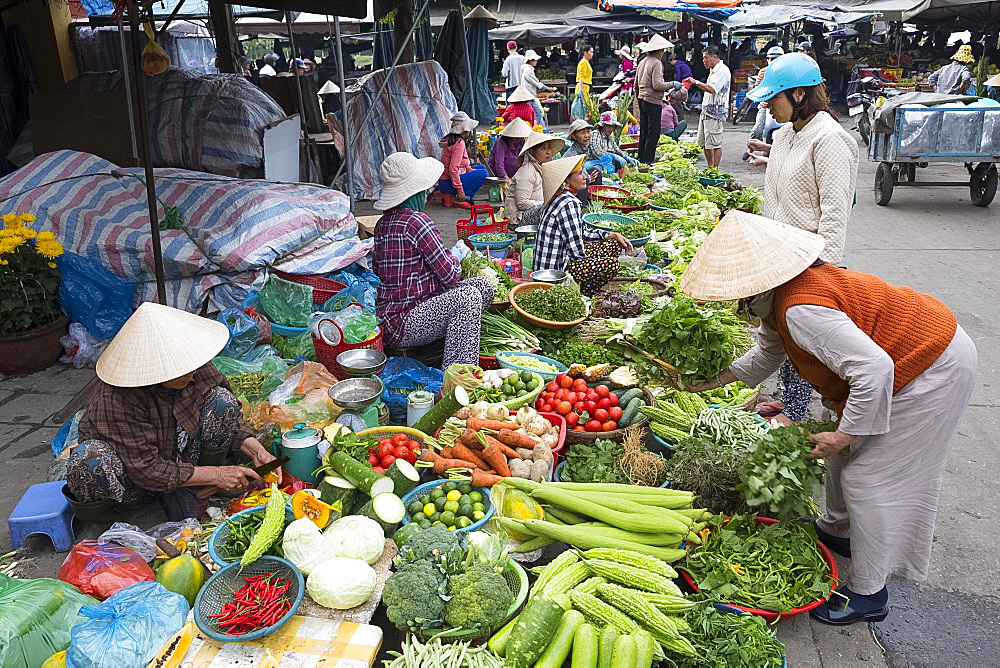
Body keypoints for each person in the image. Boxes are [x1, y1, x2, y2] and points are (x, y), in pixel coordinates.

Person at [680, 210, 977, 626]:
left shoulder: (801, 308)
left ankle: (869, 595)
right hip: (910, 355)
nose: (736, 302)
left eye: (739, 292)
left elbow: (875, 370)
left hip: (929, 365)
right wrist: (704, 382)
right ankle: (837, 531)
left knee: (870, 475)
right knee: (844, 459)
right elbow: (765, 356)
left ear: (758, 282)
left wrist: (844, 434)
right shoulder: (779, 301)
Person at [66, 303, 281, 521]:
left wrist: (255, 450)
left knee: (222, 401)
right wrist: (218, 473)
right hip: (133, 481)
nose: (193, 372)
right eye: (183, 370)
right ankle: (110, 520)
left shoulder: (193, 366)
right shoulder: (116, 399)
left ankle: (200, 488)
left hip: (184, 461)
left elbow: (233, 418)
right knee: (88, 461)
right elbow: (147, 469)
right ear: (154, 370)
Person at [743, 52, 859, 424]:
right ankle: (789, 400)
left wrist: (826, 272)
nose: (766, 105)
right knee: (783, 334)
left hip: (810, 260)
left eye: (772, 98)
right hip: (778, 253)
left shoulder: (830, 140)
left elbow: (835, 212)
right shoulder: (786, 134)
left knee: (803, 338)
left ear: (797, 95)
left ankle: (796, 410)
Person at [373, 153, 494, 367]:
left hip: (393, 316)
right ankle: (458, 378)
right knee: (467, 298)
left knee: (482, 286)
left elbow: (380, 268)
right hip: (404, 322)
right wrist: (455, 256)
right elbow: (450, 275)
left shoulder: (383, 223)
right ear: (416, 192)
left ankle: (441, 349)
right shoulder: (417, 221)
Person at [533, 155, 633, 294]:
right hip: (556, 272)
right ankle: (584, 291)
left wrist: (612, 235)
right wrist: (600, 261)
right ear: (566, 181)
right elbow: (577, 253)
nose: (585, 176)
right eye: (580, 173)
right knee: (611, 264)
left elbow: (583, 233)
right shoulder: (569, 204)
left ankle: (587, 286)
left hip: (557, 262)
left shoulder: (562, 197)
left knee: (612, 245)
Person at [637, 35, 683, 164]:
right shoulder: (656, 63)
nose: (663, 53)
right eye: (662, 50)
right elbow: (657, 85)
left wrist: (639, 98)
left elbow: (636, 84)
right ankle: (648, 162)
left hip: (642, 99)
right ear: (658, 50)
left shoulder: (643, 61)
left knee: (644, 131)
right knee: (653, 133)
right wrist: (672, 84)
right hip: (652, 101)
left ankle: (640, 159)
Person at [505, 131, 565, 227]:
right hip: (519, 218)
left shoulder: (540, 167)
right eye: (543, 148)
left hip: (535, 211)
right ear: (532, 151)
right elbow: (522, 203)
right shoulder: (527, 170)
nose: (548, 152)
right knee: (553, 206)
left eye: (549, 147)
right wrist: (545, 203)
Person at [685, 45, 731, 168]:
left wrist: (696, 82)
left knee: (714, 143)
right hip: (707, 111)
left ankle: (714, 169)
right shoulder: (713, 70)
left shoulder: (722, 70)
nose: (704, 61)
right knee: (705, 142)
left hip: (716, 113)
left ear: (714, 57)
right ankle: (710, 167)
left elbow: (712, 89)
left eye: (706, 58)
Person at [437, 112, 488, 209]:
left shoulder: (451, 139)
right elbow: (453, 169)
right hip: (448, 183)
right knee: (483, 174)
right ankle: (462, 199)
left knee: (481, 168)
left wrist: (470, 170)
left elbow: (462, 164)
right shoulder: (458, 143)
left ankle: (461, 194)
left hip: (446, 180)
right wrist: (460, 191)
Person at [562, 118, 603, 205]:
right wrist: (586, 176)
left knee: (597, 170)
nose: (587, 135)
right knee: (585, 179)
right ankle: (582, 205)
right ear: (574, 136)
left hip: (578, 176)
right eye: (582, 132)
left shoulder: (586, 147)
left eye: (588, 132)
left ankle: (594, 200)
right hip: (568, 183)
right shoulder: (572, 154)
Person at [750, 46, 785, 141]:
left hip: (784, 106)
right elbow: (757, 88)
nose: (772, 61)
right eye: (770, 58)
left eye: (775, 59)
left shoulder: (787, 72)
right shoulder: (763, 72)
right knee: (757, 130)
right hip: (765, 106)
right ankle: (752, 149)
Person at [488, 117, 531, 184]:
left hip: (514, 170)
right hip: (500, 171)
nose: (519, 138)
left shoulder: (522, 141)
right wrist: (506, 178)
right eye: (516, 136)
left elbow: (525, 156)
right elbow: (499, 163)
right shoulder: (502, 142)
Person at [522, 50, 555, 130]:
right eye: (535, 60)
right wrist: (546, 88)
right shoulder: (528, 70)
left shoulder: (529, 69)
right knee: (535, 114)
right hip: (528, 96)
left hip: (530, 96)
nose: (536, 61)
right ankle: (541, 130)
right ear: (531, 60)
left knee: (538, 113)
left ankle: (542, 129)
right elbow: (535, 82)